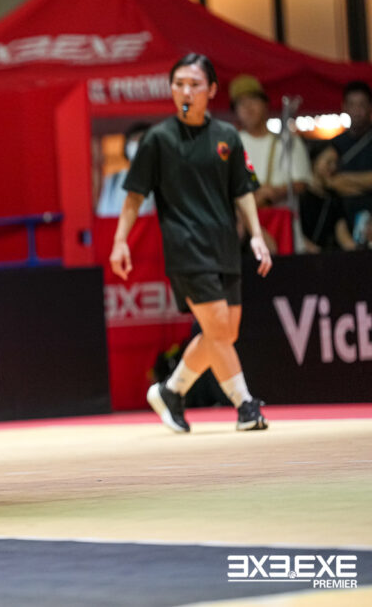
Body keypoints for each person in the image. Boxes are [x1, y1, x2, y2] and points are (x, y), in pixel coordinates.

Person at [109, 53, 272, 434]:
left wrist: (257, 235)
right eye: (179, 84)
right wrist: (120, 241)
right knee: (217, 329)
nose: (185, 91)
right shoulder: (158, 140)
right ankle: (245, 405)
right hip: (186, 248)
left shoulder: (227, 137)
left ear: (211, 90)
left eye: (194, 84)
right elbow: (134, 196)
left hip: (224, 246)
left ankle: (171, 391)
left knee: (224, 333)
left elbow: (243, 190)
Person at [228, 74, 311, 210]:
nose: (248, 107)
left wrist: (275, 192)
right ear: (235, 111)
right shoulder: (230, 145)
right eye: (241, 103)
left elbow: (301, 182)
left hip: (280, 220)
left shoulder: (287, 141)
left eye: (253, 99)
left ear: (265, 104)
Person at [314, 81, 372, 237]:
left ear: (370, 107)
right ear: (344, 107)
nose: (357, 111)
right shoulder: (338, 143)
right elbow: (321, 172)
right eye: (352, 105)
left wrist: (341, 180)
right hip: (342, 214)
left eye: (362, 105)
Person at [95, 122, 154, 217]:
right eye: (134, 140)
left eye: (143, 140)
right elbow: (103, 213)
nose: (138, 145)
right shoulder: (114, 179)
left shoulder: (162, 180)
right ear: (126, 145)